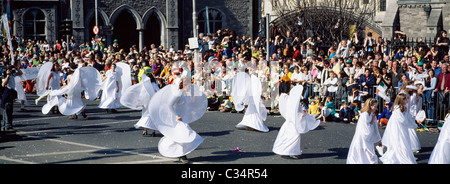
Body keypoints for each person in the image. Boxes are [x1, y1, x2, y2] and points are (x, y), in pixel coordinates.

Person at [148, 78, 207, 164]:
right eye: (188, 85)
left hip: (182, 118)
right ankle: (182, 155)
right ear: (184, 85)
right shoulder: (178, 94)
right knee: (185, 135)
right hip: (178, 119)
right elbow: (169, 105)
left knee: (180, 136)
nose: (190, 87)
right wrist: (176, 116)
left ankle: (180, 154)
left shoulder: (183, 93)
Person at [273, 85, 320, 159]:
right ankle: (292, 152)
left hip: (290, 122)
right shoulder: (292, 101)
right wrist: (302, 114)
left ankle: (289, 151)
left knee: (290, 137)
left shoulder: (290, 100)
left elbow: (297, 109)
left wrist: (302, 110)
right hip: (293, 122)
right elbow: (294, 112)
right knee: (295, 137)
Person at [379, 93, 418, 164]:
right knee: (398, 141)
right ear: (401, 100)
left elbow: (407, 118)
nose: (407, 100)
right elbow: (402, 120)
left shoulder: (403, 107)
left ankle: (403, 155)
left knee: (403, 141)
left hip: (402, 128)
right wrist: (411, 124)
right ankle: (398, 156)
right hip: (397, 128)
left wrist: (414, 124)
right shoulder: (397, 108)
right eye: (405, 99)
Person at [346, 98, 382, 164]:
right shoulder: (364, 115)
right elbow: (366, 129)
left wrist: (379, 139)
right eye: (374, 106)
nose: (375, 108)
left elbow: (375, 128)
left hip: (368, 139)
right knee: (362, 153)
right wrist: (372, 121)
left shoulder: (372, 115)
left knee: (370, 154)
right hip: (362, 138)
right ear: (370, 106)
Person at [1, 63, 22, 132]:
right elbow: (3, 84)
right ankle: (7, 126)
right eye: (10, 69)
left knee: (9, 110)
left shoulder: (13, 74)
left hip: (11, 92)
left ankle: (4, 126)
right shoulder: (5, 75)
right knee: (7, 110)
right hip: (7, 92)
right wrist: (8, 75)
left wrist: (16, 68)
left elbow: (20, 73)